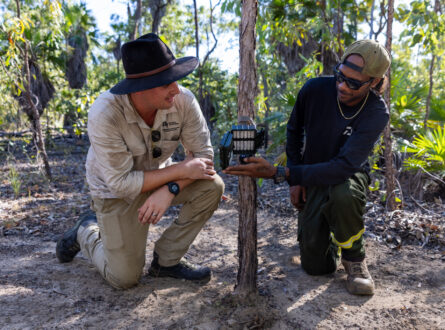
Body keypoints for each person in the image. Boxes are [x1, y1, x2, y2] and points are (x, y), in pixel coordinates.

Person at [56, 33, 224, 289]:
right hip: (115, 192)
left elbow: (205, 158)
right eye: (166, 82)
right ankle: (86, 231)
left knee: (213, 185)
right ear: (141, 87)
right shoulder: (106, 113)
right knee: (123, 278)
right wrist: (181, 170)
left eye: (175, 79)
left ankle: (166, 262)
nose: (175, 89)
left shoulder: (183, 101)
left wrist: (171, 189)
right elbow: (121, 184)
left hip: (161, 180)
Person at [223, 40, 391, 295]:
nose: (342, 86)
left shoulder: (376, 112)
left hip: (348, 175)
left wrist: (280, 173)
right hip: (311, 174)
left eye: (354, 83)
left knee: (342, 193)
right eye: (340, 76)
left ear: (374, 83)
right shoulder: (315, 89)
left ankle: (354, 259)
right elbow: (294, 131)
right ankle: (328, 231)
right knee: (316, 267)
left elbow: (343, 166)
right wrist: (296, 180)